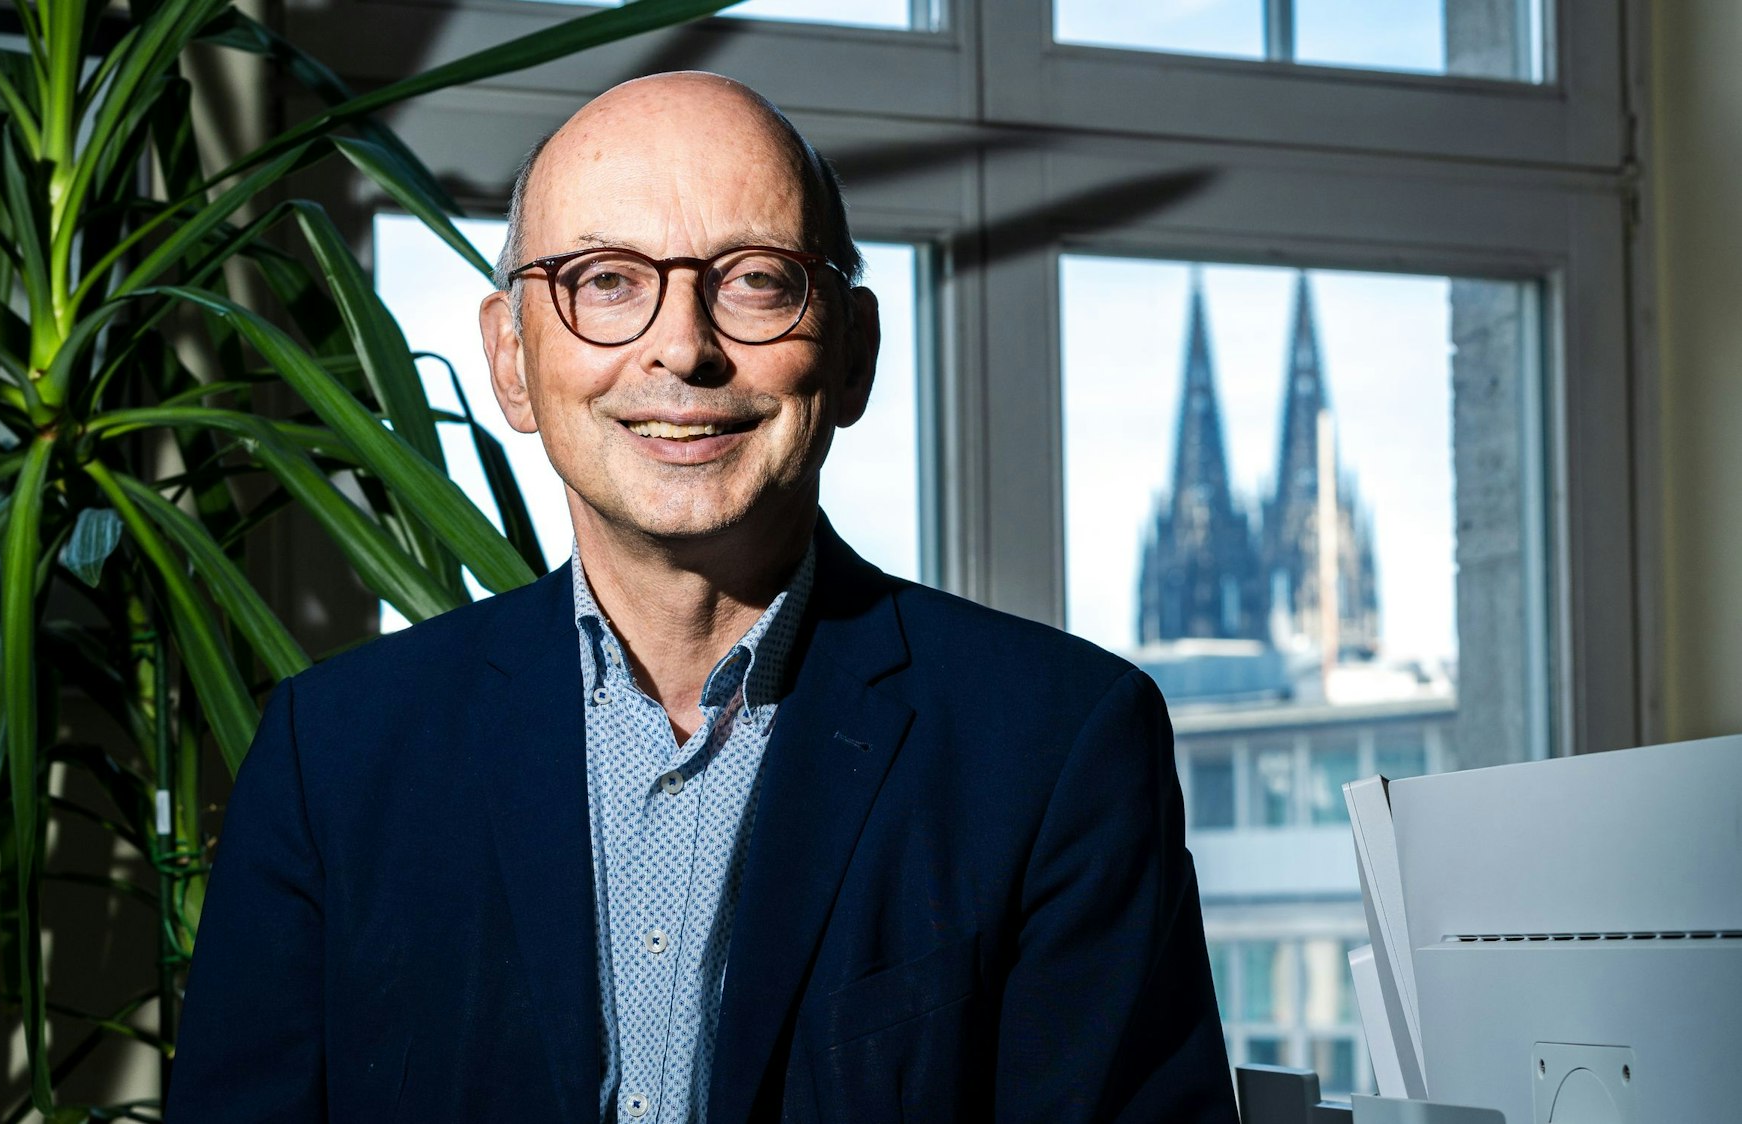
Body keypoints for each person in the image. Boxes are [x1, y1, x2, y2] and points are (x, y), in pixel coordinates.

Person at [168, 72, 1237, 1123]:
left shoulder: (1055, 745)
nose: (682, 346)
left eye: (756, 279)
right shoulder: (331, 756)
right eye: (606, 280)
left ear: (854, 353)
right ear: (511, 359)